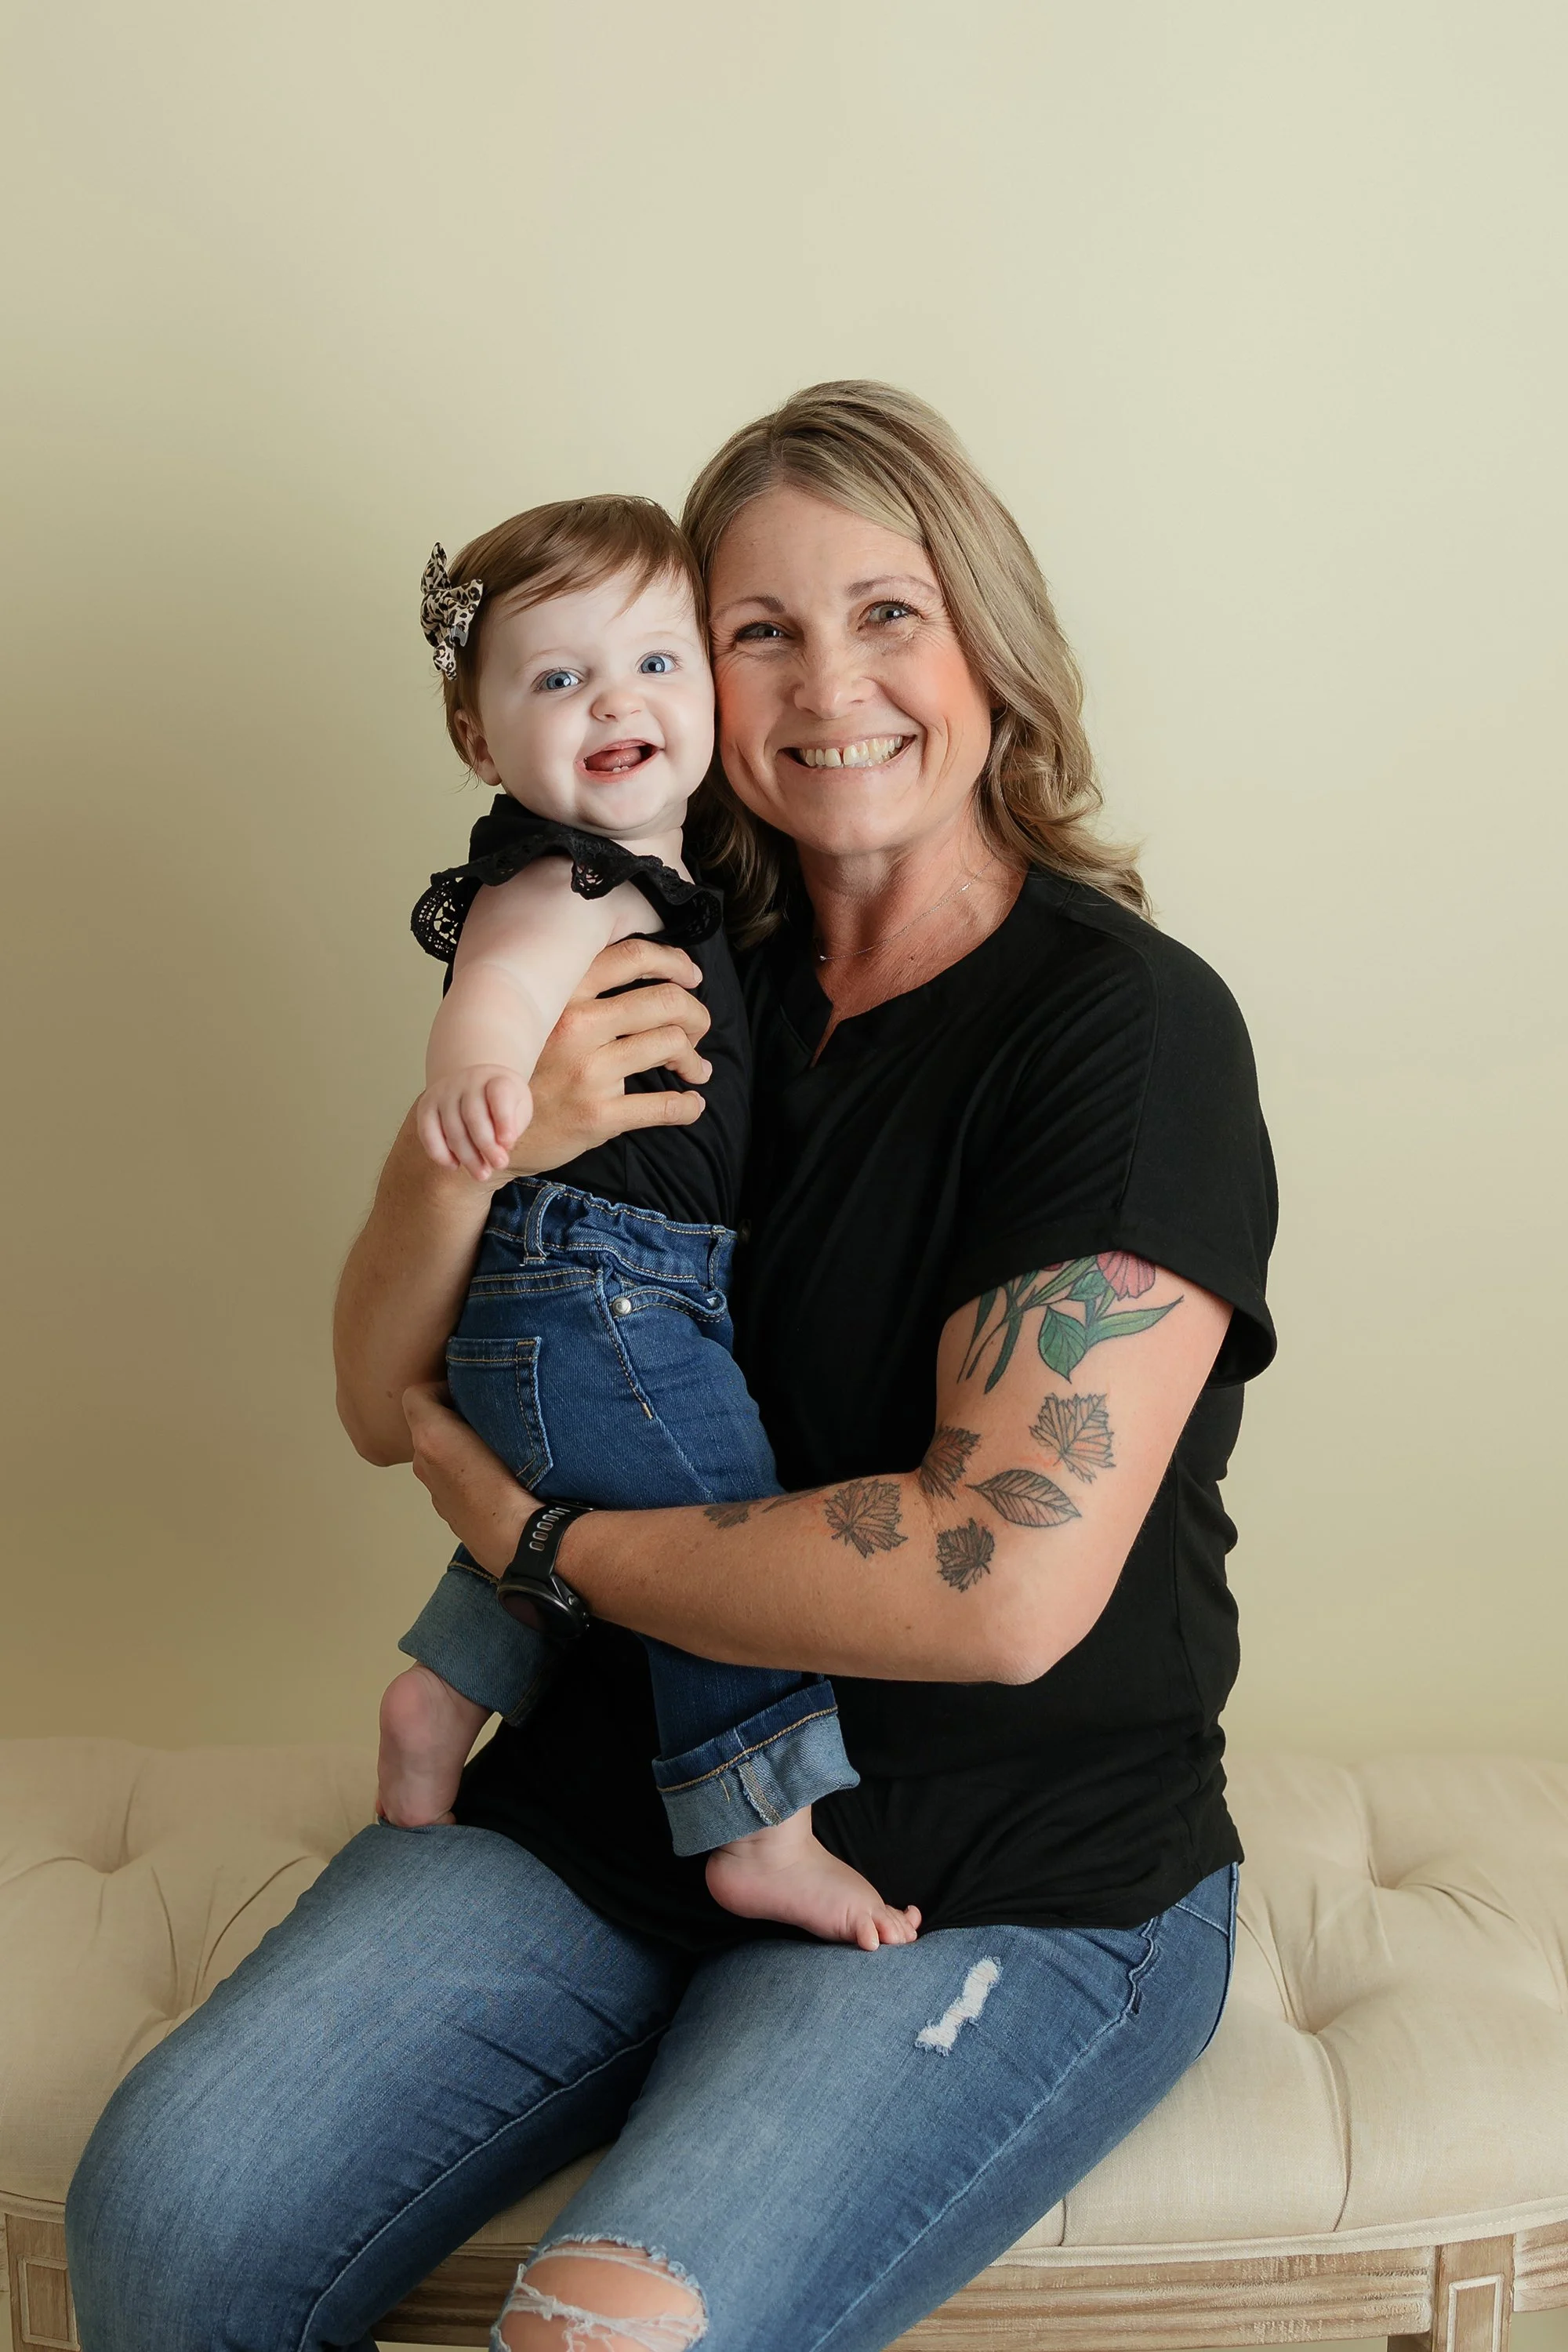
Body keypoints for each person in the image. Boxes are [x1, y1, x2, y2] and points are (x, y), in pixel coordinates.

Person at [67, 382, 1276, 2352]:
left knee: (605, 2337)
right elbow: (381, 1404)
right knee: (171, 2213)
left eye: (888, 613)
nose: (831, 686)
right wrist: (499, 1145)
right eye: (760, 629)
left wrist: (542, 1543)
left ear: (991, 636)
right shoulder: (657, 959)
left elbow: (1003, 1586)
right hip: (617, 1803)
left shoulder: (1123, 1037)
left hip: (1000, 1868)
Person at [378, 492, 913, 1950]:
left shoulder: (669, 875)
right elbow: (495, 977)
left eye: (657, 664)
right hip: (598, 1291)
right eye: (557, 679)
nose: (615, 701)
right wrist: (481, 1085)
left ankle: (443, 1693)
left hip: (592, 1304)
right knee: (716, 1524)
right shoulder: (565, 874)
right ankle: (760, 1824)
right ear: (482, 742)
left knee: (593, 1523)